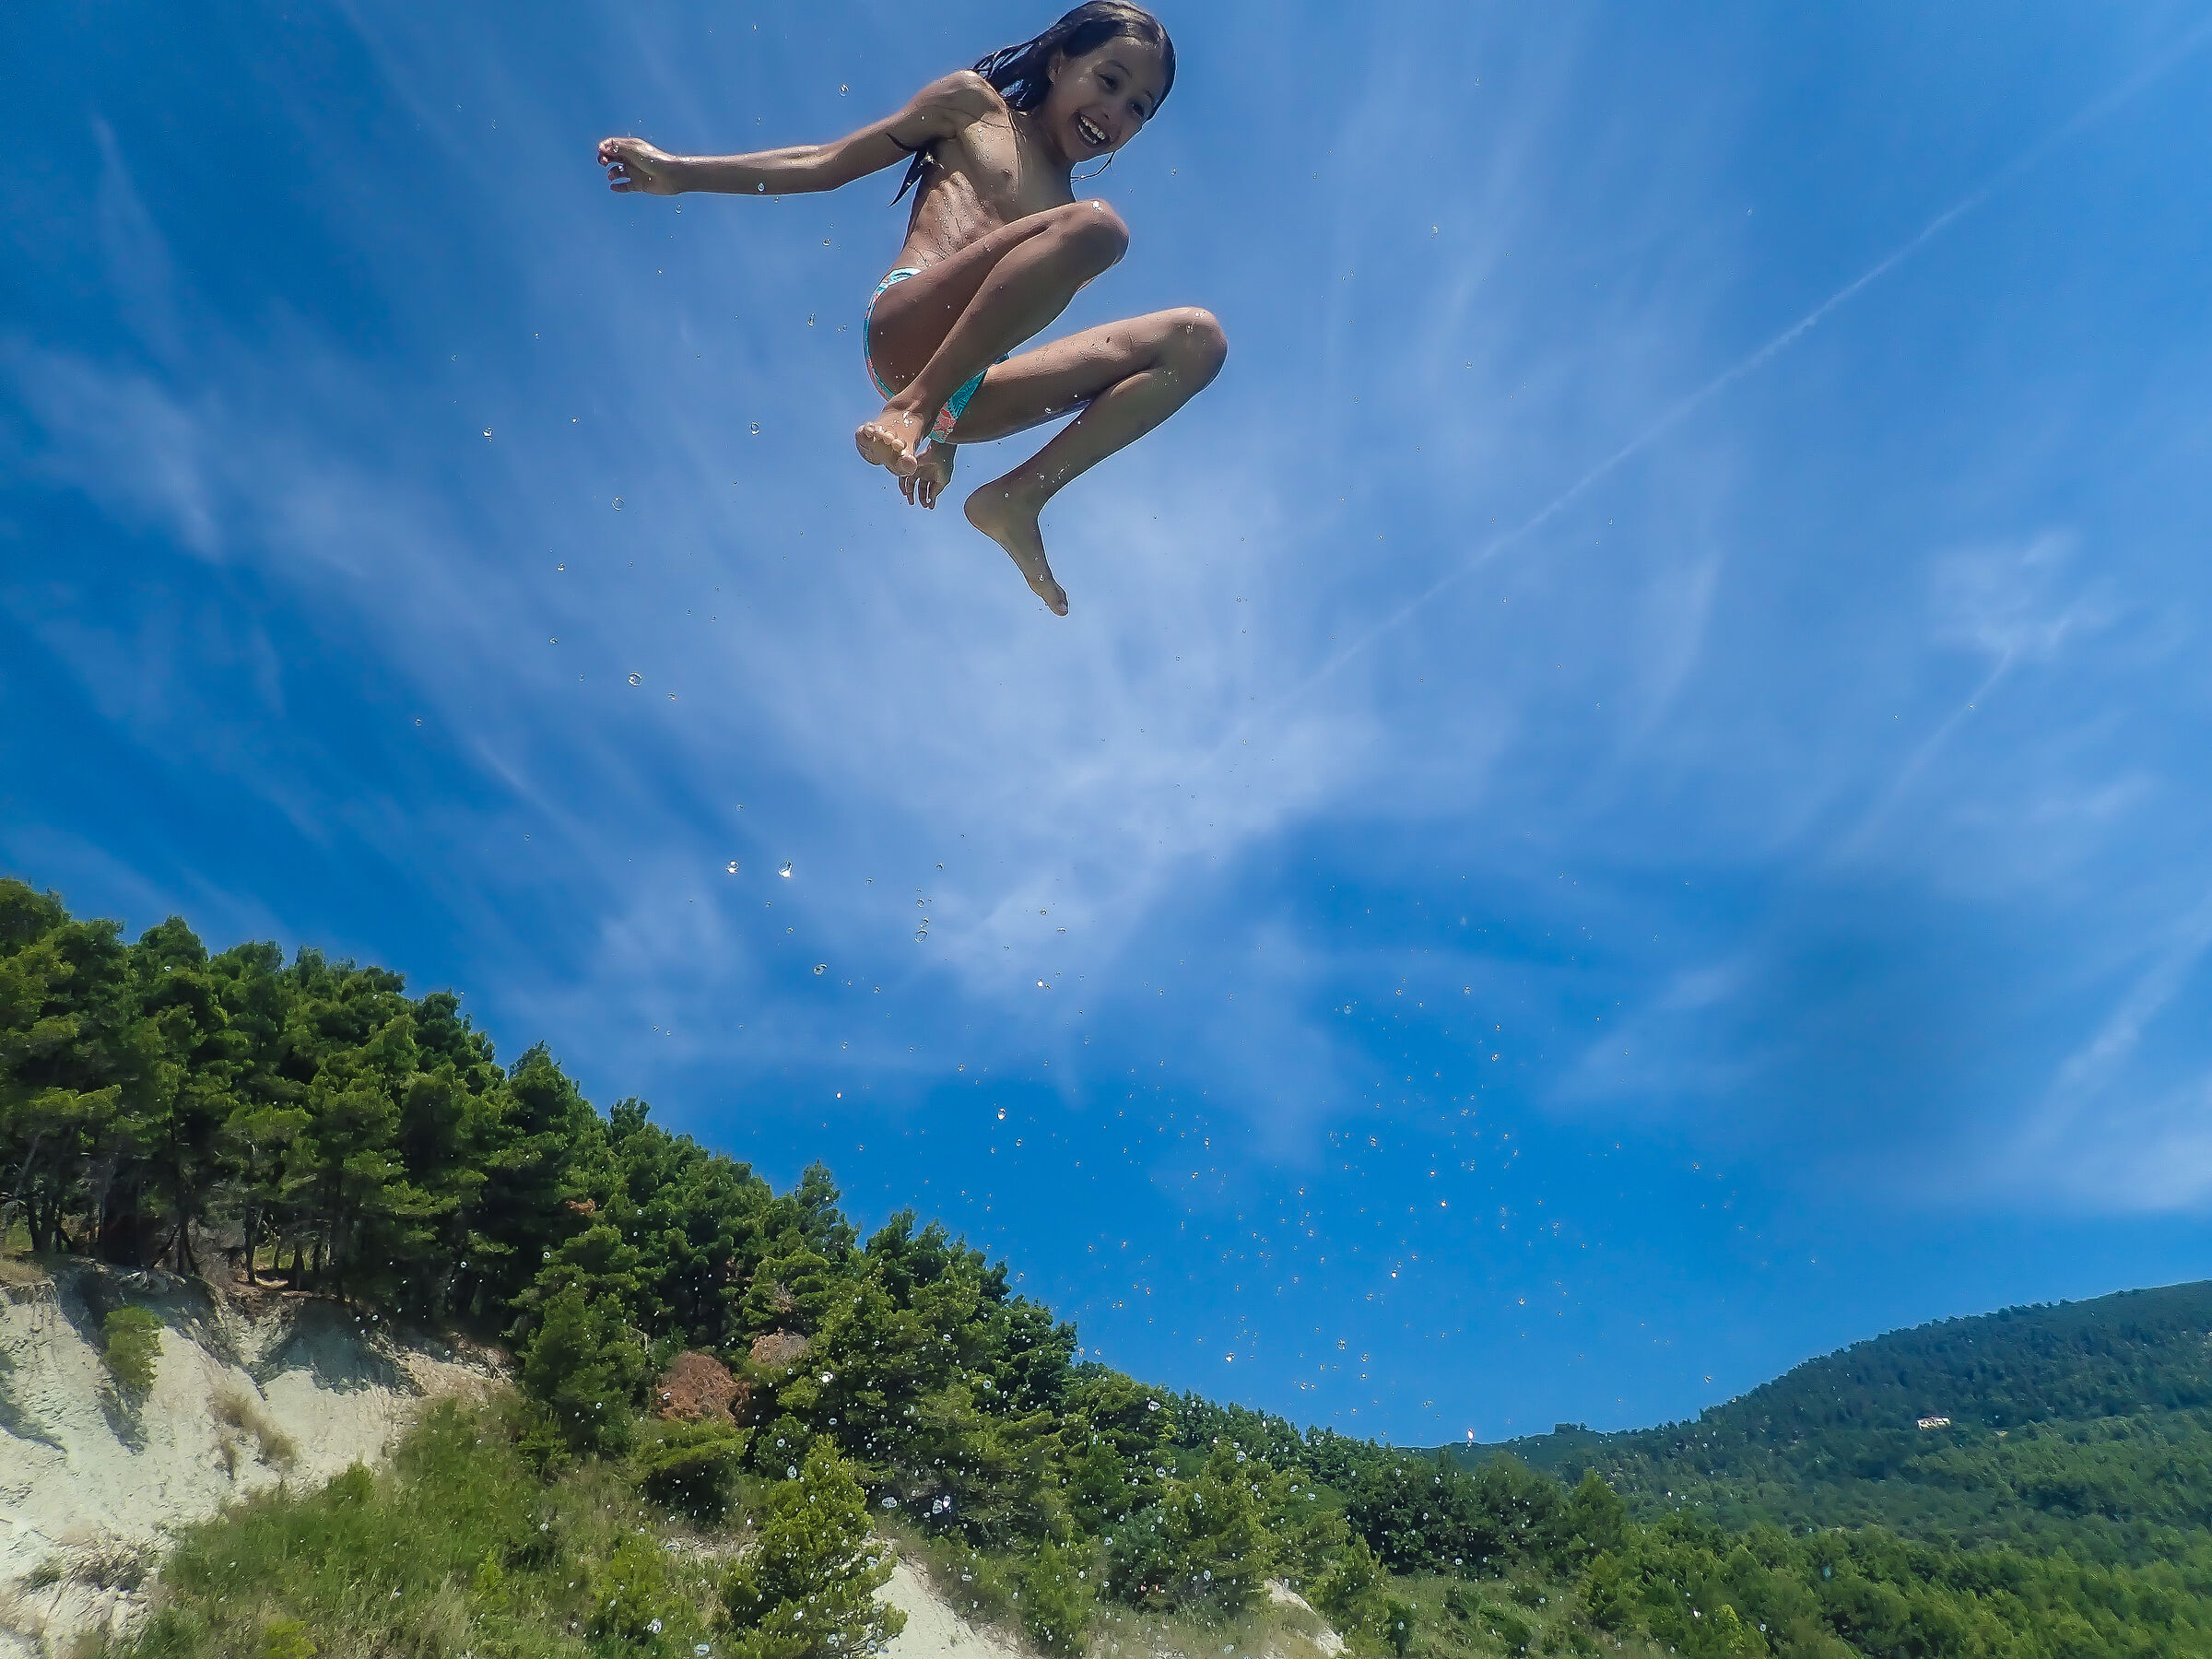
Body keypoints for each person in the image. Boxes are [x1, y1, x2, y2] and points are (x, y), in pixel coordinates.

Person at [596, 3, 1226, 617]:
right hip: (904, 326)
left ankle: (1018, 497)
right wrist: (679, 172)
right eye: (1109, 81)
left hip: (963, 396)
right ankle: (911, 408)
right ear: (1060, 62)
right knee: (1100, 227)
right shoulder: (974, 108)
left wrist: (945, 449)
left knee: (1198, 340)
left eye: (1138, 108)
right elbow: (825, 164)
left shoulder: (1068, 221)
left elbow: (998, 327)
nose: (1115, 112)